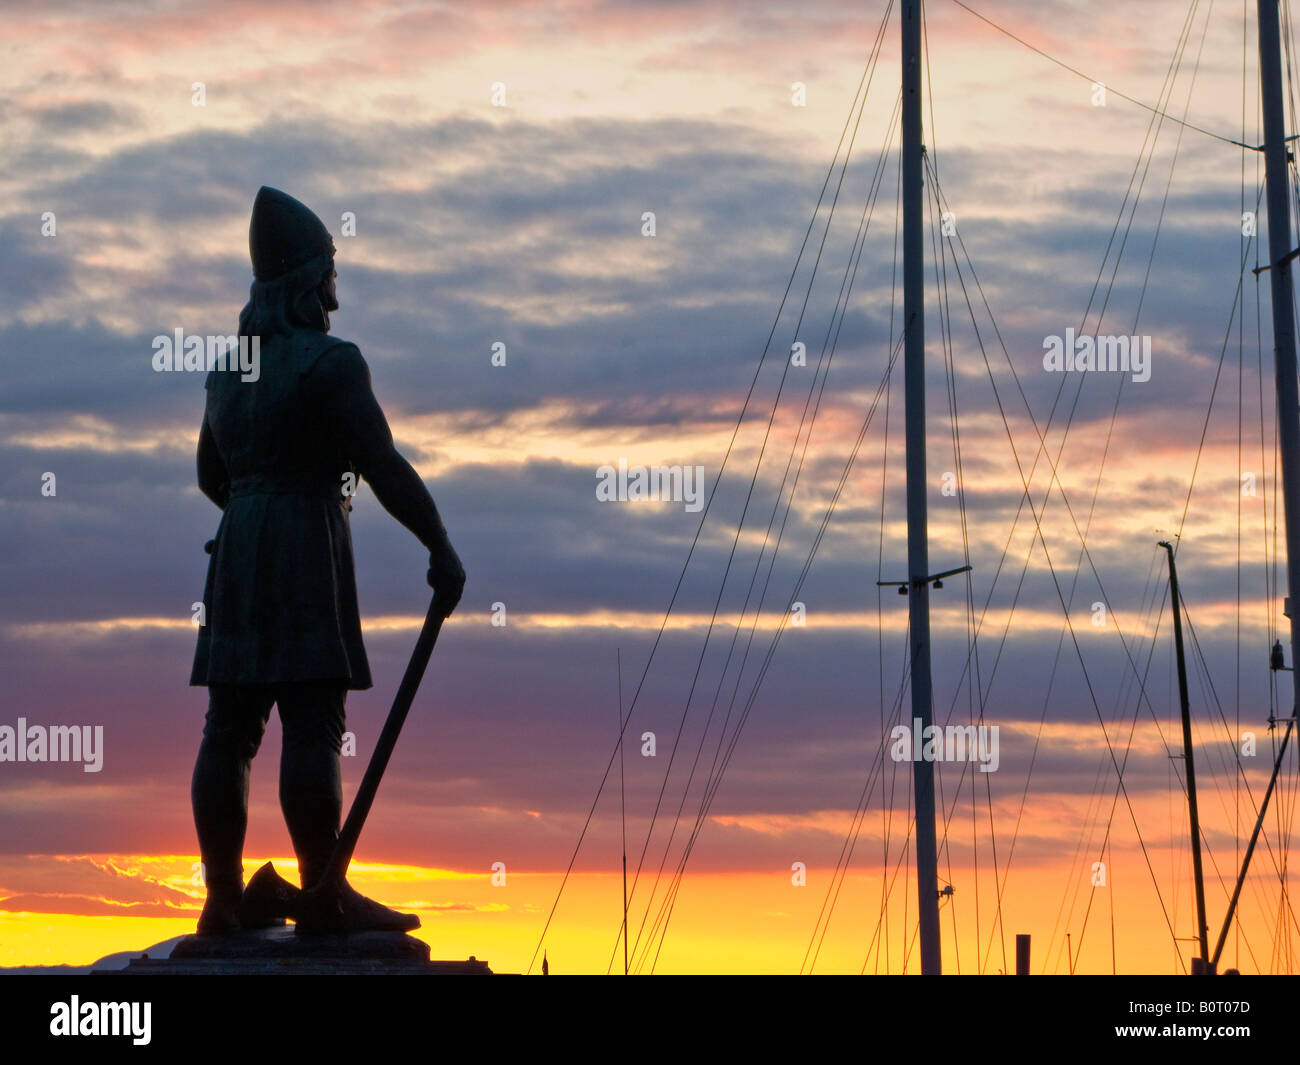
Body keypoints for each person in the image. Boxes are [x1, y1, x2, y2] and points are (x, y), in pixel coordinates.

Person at [189, 186, 465, 934]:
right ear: (310, 280)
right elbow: (382, 463)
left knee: (229, 726)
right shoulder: (332, 364)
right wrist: (438, 544)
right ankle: (323, 892)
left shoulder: (228, 371)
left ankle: (222, 898)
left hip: (239, 546)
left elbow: (209, 476)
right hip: (306, 541)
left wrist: (251, 520)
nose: (335, 299)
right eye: (331, 275)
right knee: (313, 722)